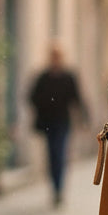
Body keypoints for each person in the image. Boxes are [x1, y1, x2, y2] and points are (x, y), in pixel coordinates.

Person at [28, 44, 86, 206]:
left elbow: (77, 98)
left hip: (62, 122)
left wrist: (84, 117)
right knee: (52, 155)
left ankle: (59, 189)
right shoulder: (43, 77)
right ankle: (54, 187)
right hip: (48, 122)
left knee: (59, 153)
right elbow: (32, 97)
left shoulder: (68, 77)